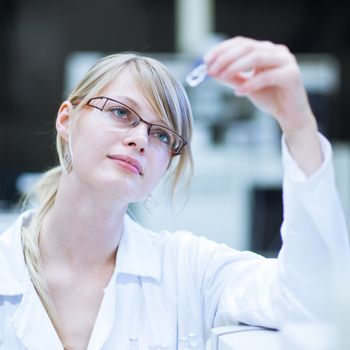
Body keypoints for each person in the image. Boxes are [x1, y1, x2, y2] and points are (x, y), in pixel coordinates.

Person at [0, 36, 349, 350]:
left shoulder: (190, 271)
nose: (140, 138)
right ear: (66, 119)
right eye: (121, 112)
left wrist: (299, 126)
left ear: (166, 164)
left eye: (162, 135)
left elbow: (312, 302)